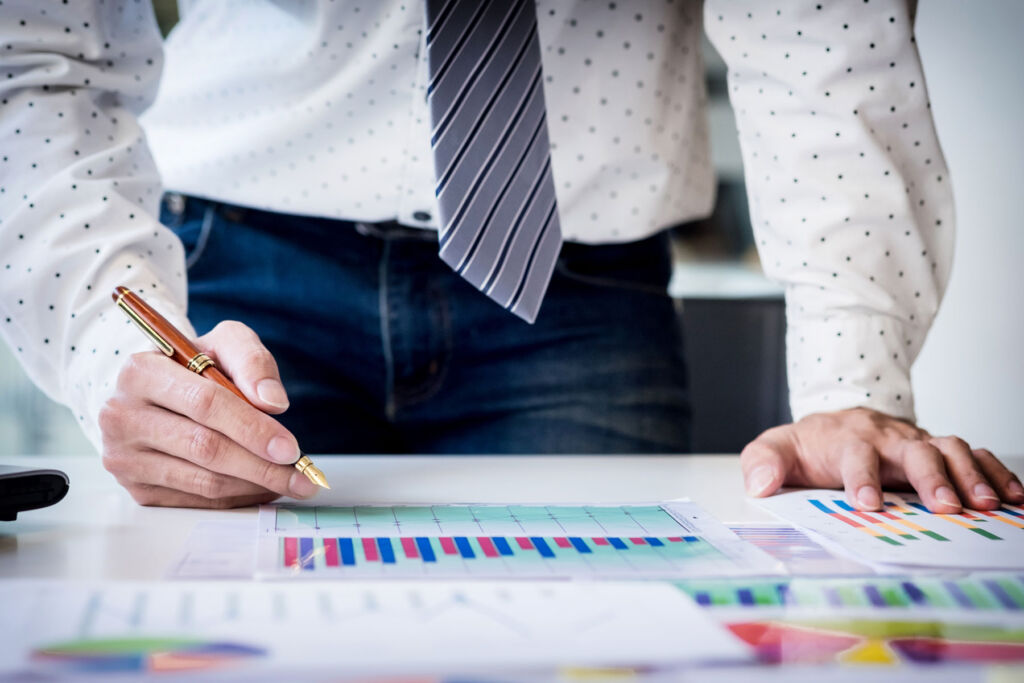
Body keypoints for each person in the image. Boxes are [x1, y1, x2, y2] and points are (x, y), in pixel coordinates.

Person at [1, 0, 1020, 512]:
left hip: (578, 299)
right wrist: (106, 342)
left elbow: (820, 29)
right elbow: (41, 48)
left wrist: (853, 381)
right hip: (238, 296)